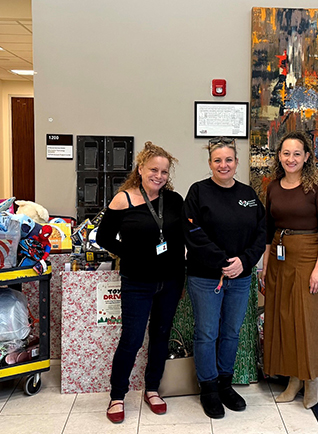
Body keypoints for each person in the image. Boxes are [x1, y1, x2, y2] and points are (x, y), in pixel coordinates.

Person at [96, 141, 186, 424]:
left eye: (163, 171)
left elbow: (182, 237)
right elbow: (103, 238)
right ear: (140, 169)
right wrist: (129, 253)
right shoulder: (124, 199)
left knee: (160, 337)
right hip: (137, 281)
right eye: (153, 170)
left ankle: (153, 389)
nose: (158, 176)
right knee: (132, 339)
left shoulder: (173, 201)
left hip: (170, 280)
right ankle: (118, 395)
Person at [183, 136, 266, 419]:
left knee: (231, 332)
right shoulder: (198, 192)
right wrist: (222, 262)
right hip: (206, 277)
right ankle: (208, 388)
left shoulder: (248, 195)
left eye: (228, 159)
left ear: (236, 162)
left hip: (241, 277)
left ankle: (225, 384)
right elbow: (193, 233)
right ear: (210, 163)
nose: (223, 164)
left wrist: (243, 262)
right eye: (217, 160)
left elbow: (261, 233)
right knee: (207, 333)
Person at [261, 132, 318, 409]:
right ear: (279, 156)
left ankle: (312, 379)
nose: (290, 158)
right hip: (280, 258)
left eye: (297, 153)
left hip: (309, 257)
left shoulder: (317, 187)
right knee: (284, 319)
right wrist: (266, 261)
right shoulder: (272, 187)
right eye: (286, 153)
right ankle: (293, 379)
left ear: (306, 157)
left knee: (307, 320)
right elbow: (269, 229)